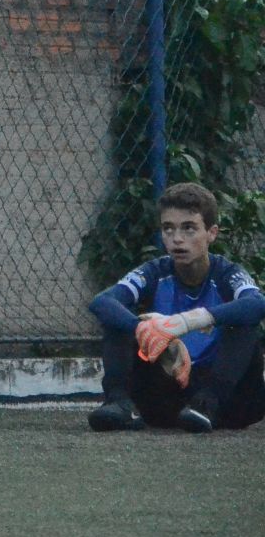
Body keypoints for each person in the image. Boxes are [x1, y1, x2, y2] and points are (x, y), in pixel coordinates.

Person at [87, 181, 264, 432]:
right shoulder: (155, 272)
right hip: (169, 392)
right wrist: (147, 331)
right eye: (168, 229)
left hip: (227, 401)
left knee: (245, 324)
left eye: (189, 228)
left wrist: (184, 322)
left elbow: (257, 304)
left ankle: (207, 404)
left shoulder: (227, 274)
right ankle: (119, 403)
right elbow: (102, 302)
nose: (177, 239)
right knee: (116, 319)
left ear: (212, 233)